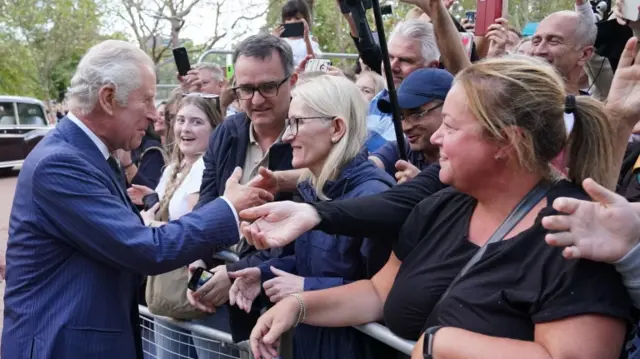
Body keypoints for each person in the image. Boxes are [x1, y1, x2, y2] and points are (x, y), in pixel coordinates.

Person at [246, 55, 633, 359]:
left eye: (450, 125)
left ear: (506, 142)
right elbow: (380, 293)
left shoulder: (576, 230)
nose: (437, 137)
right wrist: (298, 306)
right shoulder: (444, 206)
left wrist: (442, 345)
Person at [1, 40, 272, 359]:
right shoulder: (62, 163)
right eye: (145, 99)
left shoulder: (88, 156)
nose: (154, 113)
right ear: (108, 98)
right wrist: (228, 207)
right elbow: (144, 247)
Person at [229, 75, 395, 359]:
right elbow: (315, 263)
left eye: (298, 122)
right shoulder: (311, 189)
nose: (287, 136)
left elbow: (385, 292)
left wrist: (308, 290)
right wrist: (263, 273)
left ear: (336, 128)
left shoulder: (375, 198)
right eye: (288, 123)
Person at [369, 68, 452, 183]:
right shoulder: (402, 148)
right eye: (401, 116)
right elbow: (367, 168)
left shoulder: (466, 158)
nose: (405, 127)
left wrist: (423, 187)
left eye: (416, 114)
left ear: (449, 107)